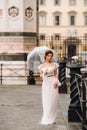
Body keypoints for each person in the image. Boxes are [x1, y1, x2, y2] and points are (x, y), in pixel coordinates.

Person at [38, 50, 61, 125]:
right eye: (48, 56)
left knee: (53, 100)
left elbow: (56, 74)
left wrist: (56, 82)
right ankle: (46, 117)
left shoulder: (54, 64)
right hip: (45, 83)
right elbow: (40, 76)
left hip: (52, 82)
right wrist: (44, 73)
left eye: (51, 56)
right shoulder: (42, 66)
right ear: (45, 56)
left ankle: (52, 118)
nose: (50, 57)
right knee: (46, 100)